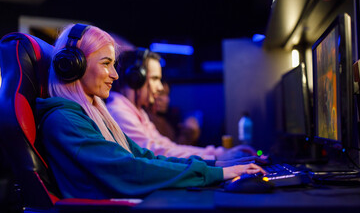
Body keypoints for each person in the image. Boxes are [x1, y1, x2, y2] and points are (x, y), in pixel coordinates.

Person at [36, 23, 266, 199]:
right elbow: (127, 170)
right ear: (73, 64)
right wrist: (217, 172)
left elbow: (145, 156)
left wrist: (215, 166)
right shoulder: (64, 120)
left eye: (114, 65)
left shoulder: (91, 115)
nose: (115, 75)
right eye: (106, 64)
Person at [107, 48, 259, 161]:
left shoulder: (137, 113)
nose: (160, 87)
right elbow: (156, 153)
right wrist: (216, 159)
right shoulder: (119, 113)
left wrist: (218, 153)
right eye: (154, 79)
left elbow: (168, 147)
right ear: (135, 79)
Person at [146, 80, 201, 146]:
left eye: (167, 94)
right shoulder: (147, 119)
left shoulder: (168, 117)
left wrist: (188, 131)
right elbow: (167, 149)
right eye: (160, 93)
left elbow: (173, 146)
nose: (166, 100)